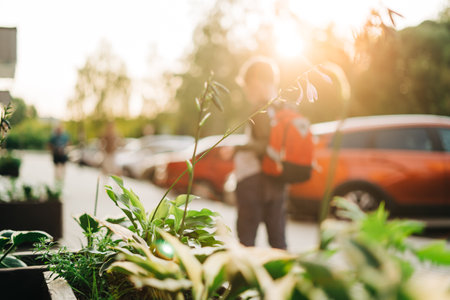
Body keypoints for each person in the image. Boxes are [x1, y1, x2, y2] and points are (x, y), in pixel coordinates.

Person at [233, 56, 288, 249]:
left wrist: (238, 148)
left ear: (255, 83)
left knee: (245, 242)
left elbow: (265, 145)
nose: (247, 92)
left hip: (253, 181)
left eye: (247, 86)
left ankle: (242, 279)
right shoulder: (283, 107)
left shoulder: (262, 109)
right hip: (277, 181)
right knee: (278, 241)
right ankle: (284, 278)